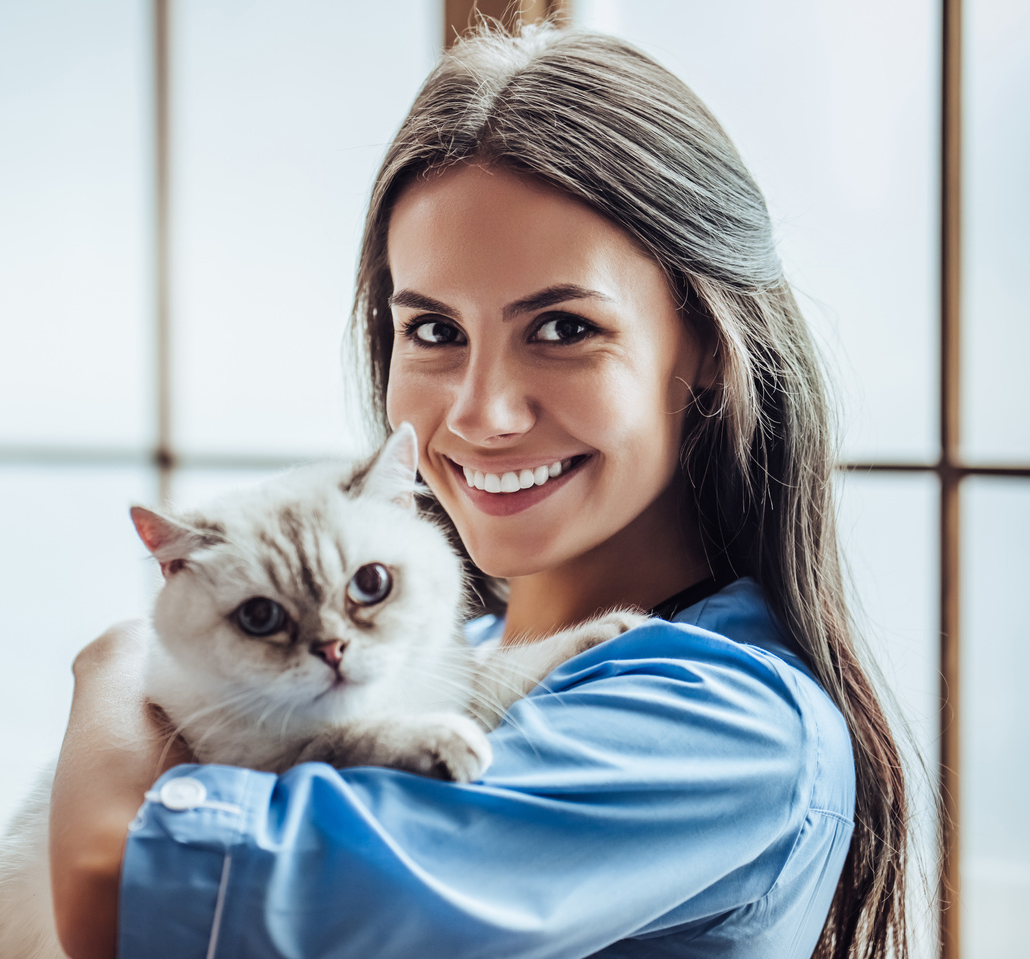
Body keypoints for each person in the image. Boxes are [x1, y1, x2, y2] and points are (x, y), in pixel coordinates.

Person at [47, 24, 909, 959]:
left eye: (563, 327)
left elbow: (110, 894)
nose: (481, 413)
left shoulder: (719, 726)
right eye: (433, 331)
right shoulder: (441, 652)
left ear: (707, 342)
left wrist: (115, 666)